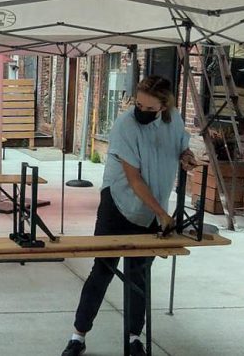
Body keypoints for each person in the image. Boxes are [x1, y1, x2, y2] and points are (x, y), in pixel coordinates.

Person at [61, 75, 199, 356]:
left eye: (149, 109)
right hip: (118, 205)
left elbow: (181, 146)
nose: (142, 112)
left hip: (151, 210)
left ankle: (135, 338)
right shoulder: (125, 125)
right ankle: (78, 336)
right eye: (138, 105)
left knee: (138, 276)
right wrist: (162, 214)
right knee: (102, 270)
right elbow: (134, 179)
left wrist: (186, 155)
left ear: (164, 106)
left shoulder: (175, 121)